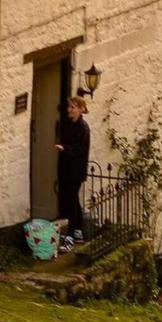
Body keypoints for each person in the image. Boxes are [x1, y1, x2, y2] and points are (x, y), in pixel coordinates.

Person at [54, 92, 92, 227]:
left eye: (73, 107)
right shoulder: (68, 124)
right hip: (65, 168)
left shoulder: (83, 128)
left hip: (75, 171)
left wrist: (65, 149)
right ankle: (75, 228)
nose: (69, 109)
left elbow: (80, 148)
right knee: (69, 199)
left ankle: (76, 228)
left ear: (81, 109)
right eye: (69, 107)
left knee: (72, 199)